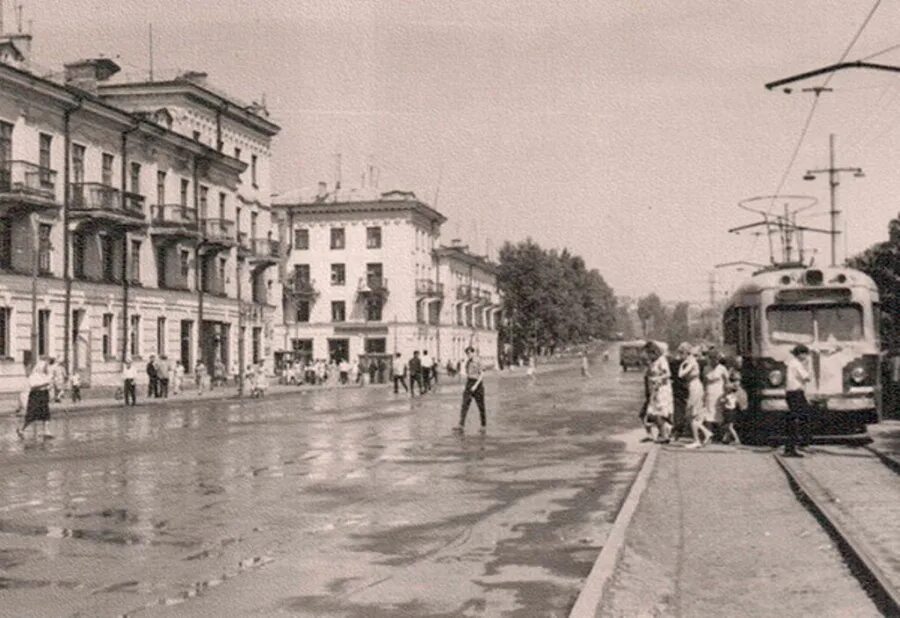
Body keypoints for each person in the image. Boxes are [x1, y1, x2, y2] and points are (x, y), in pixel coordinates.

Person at [679, 344, 711, 448]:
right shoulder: (691, 361)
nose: (680, 356)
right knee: (691, 415)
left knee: (692, 415)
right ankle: (706, 433)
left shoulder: (691, 361)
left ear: (686, 353)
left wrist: (682, 365)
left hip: (695, 388)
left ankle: (697, 440)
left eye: (681, 353)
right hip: (694, 387)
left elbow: (681, 374)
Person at [783, 344, 813, 457]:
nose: (806, 356)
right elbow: (807, 378)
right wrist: (809, 366)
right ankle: (793, 447)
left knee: (800, 417)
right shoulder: (796, 364)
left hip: (793, 393)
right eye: (805, 354)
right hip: (796, 393)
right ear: (800, 354)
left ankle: (797, 444)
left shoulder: (792, 363)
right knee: (797, 419)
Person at [16, 359, 53, 440]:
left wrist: (49, 387)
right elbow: (33, 386)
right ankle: (21, 429)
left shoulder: (45, 375)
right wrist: (45, 384)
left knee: (46, 413)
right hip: (36, 396)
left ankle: (46, 431)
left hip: (44, 395)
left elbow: (48, 384)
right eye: (45, 367)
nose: (46, 368)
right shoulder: (34, 376)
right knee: (32, 414)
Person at [645, 342, 673, 443]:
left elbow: (668, 374)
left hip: (663, 390)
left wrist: (657, 378)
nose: (648, 356)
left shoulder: (662, 360)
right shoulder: (654, 362)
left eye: (649, 353)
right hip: (655, 390)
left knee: (658, 413)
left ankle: (665, 435)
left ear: (654, 352)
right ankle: (664, 434)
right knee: (652, 413)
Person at [455, 346, 487, 434]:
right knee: (464, 404)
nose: (468, 355)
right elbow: (467, 373)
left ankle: (483, 425)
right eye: (467, 353)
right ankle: (461, 425)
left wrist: (475, 386)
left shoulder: (478, 361)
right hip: (469, 383)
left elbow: (482, 374)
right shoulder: (468, 362)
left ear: (473, 352)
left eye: (469, 353)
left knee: (481, 406)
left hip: (478, 384)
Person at [703, 352, 729, 441]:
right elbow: (704, 381)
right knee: (708, 413)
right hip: (709, 392)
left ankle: (722, 435)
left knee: (719, 414)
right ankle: (708, 435)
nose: (714, 361)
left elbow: (727, 382)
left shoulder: (722, 368)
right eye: (712, 358)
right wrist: (703, 393)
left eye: (716, 359)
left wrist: (725, 395)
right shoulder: (706, 368)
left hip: (719, 393)